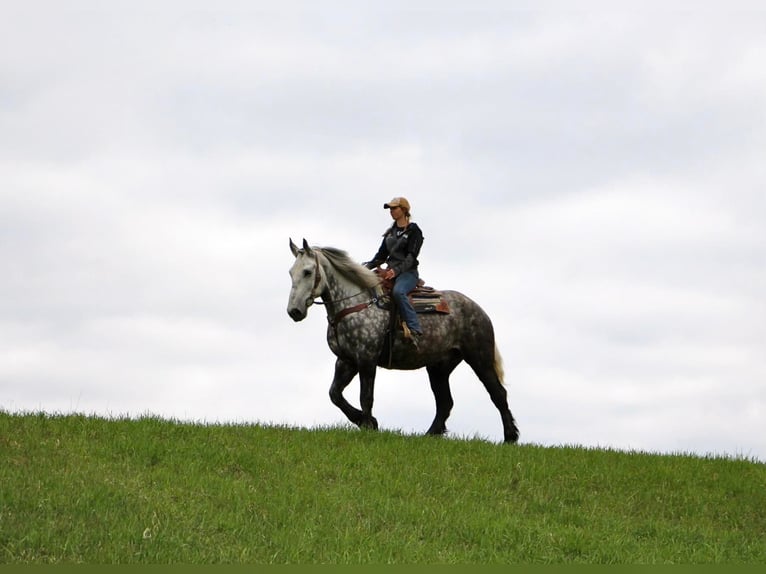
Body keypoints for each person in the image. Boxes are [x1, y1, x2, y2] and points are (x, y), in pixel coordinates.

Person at [364, 197, 424, 342]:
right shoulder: (390, 233)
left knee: (398, 291)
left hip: (408, 273)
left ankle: (415, 328)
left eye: (394, 208)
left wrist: (395, 271)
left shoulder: (414, 231)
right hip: (389, 272)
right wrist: (364, 269)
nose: (391, 211)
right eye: (390, 209)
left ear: (403, 210)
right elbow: (381, 256)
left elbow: (411, 258)